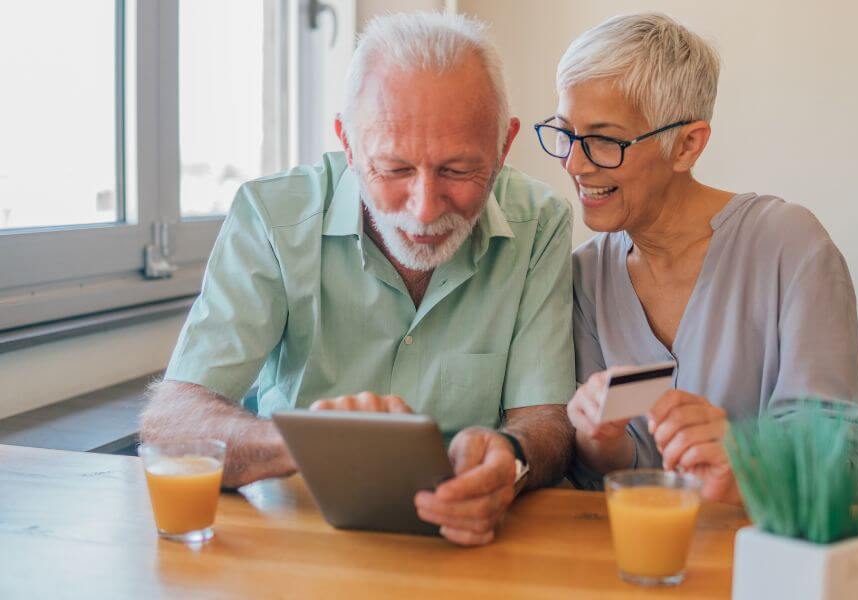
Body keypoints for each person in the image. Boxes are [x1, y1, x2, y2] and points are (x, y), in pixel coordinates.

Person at [141, 12, 576, 546]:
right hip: (300, 539)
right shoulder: (273, 216)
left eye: (458, 171)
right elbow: (171, 423)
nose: (423, 209)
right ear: (347, 142)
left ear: (504, 147)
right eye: (394, 170)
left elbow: (548, 421)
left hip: (467, 547)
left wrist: (511, 458)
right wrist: (313, 443)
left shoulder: (541, 223)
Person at [534, 13, 858, 502]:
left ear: (688, 145)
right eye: (566, 133)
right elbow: (622, 472)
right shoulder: (585, 275)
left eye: (605, 139)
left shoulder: (789, 246)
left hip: (772, 553)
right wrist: (599, 440)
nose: (575, 163)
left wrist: (746, 455)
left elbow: (844, 451)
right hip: (647, 555)